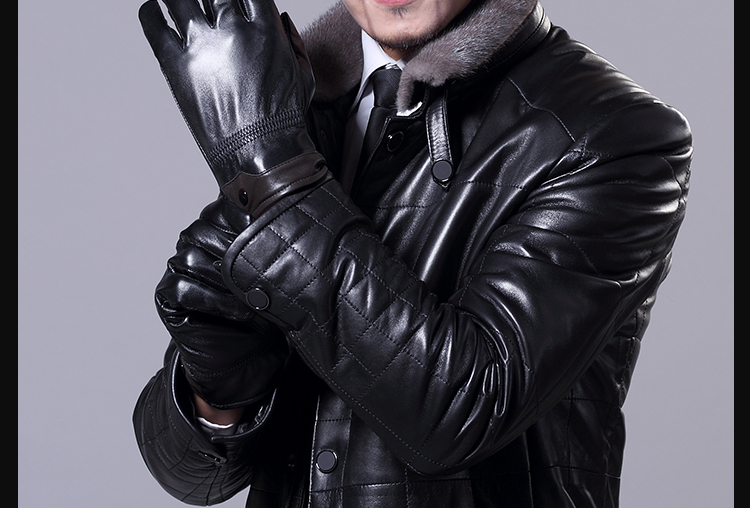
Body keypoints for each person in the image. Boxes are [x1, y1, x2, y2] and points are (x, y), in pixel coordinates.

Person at [133, 0, 692, 506]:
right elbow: (191, 476)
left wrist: (267, 163)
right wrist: (220, 387)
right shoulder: (297, 104)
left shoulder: (615, 135)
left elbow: (461, 413)